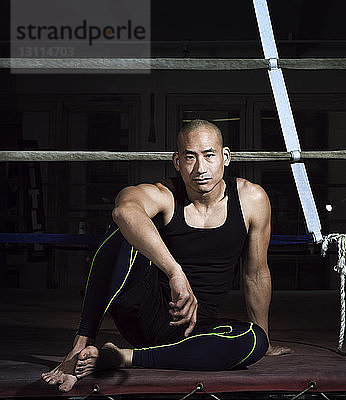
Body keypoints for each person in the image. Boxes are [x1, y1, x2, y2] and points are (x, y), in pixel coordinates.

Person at [41, 119, 292, 392]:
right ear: (176, 161)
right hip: (141, 314)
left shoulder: (251, 199)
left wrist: (265, 338)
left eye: (209, 155)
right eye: (190, 157)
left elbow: (255, 274)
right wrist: (176, 272)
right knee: (123, 230)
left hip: (195, 329)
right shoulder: (164, 195)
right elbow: (124, 211)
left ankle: (122, 358)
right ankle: (80, 344)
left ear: (225, 157)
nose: (200, 168)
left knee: (253, 340)